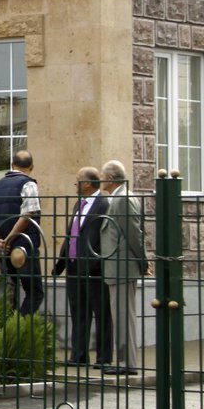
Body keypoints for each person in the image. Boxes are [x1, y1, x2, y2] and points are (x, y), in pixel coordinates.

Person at [53, 167, 112, 368]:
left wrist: (96, 262)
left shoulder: (104, 204)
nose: (75, 185)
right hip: (74, 265)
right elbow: (72, 234)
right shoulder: (79, 204)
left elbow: (104, 237)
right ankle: (78, 355)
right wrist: (61, 262)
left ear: (87, 184)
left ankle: (104, 358)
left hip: (94, 268)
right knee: (78, 311)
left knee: (101, 312)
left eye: (77, 181)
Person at [99, 159, 146, 375]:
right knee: (120, 315)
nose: (100, 179)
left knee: (124, 316)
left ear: (110, 178)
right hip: (116, 267)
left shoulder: (122, 199)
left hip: (122, 267)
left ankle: (127, 363)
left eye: (102, 176)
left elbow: (134, 233)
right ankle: (124, 361)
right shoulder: (117, 197)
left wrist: (143, 262)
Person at [0, 150, 45, 314]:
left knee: (8, 294)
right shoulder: (28, 184)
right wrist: (10, 240)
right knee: (35, 293)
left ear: (12, 165)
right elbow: (27, 215)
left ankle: (5, 332)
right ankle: (18, 330)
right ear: (31, 167)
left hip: (2, 250)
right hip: (23, 248)